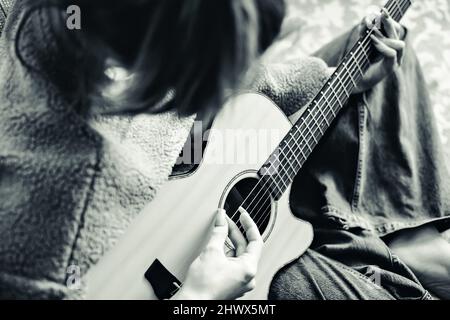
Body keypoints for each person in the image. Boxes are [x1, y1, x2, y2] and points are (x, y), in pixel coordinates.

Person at [0, 0, 448, 300]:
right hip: (195, 274)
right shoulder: (55, 236)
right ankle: (389, 249)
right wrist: (198, 298)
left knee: (377, 55)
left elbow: (244, 88)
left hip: (206, 172)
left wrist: (334, 79)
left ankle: (388, 248)